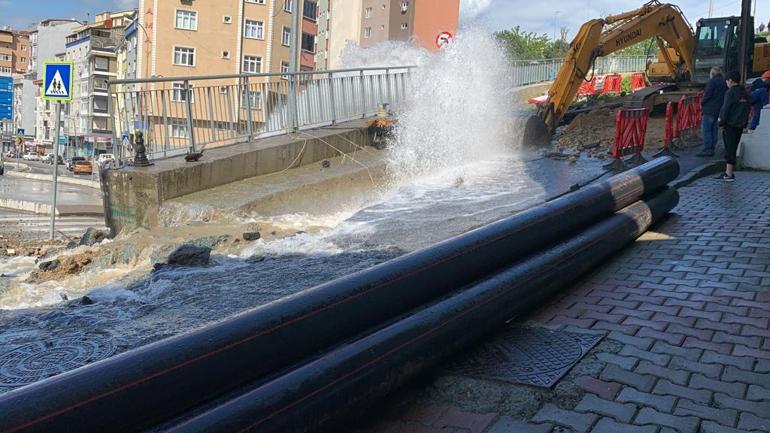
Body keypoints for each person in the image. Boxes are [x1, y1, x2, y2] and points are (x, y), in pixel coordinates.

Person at [716, 71, 751, 182]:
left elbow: (725, 108)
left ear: (730, 80)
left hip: (730, 124)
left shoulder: (730, 93)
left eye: (727, 81)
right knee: (734, 146)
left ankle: (729, 174)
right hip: (740, 124)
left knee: (729, 148)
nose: (726, 83)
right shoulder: (744, 92)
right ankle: (728, 172)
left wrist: (721, 121)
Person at [698, 66, 727, 157]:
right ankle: (712, 147)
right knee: (714, 129)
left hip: (709, 109)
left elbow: (707, 95)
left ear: (712, 74)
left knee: (707, 129)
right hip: (719, 110)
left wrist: (702, 103)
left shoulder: (712, 82)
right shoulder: (724, 82)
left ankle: (708, 149)